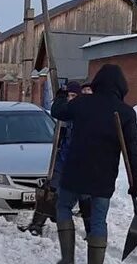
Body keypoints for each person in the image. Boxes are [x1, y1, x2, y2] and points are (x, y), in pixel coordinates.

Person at [49, 64, 137, 264]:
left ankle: (67, 259)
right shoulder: (126, 113)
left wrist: (62, 94)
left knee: (63, 207)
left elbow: (57, 111)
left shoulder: (82, 103)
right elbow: (133, 151)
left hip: (75, 172)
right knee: (99, 220)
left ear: (98, 83)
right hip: (103, 177)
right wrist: (136, 180)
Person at [25, 81, 91, 237]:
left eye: (74, 96)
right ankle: (37, 225)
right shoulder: (64, 116)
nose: (71, 99)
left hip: (81, 164)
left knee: (85, 197)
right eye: (69, 96)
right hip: (62, 161)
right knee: (50, 191)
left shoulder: (83, 114)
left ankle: (92, 232)